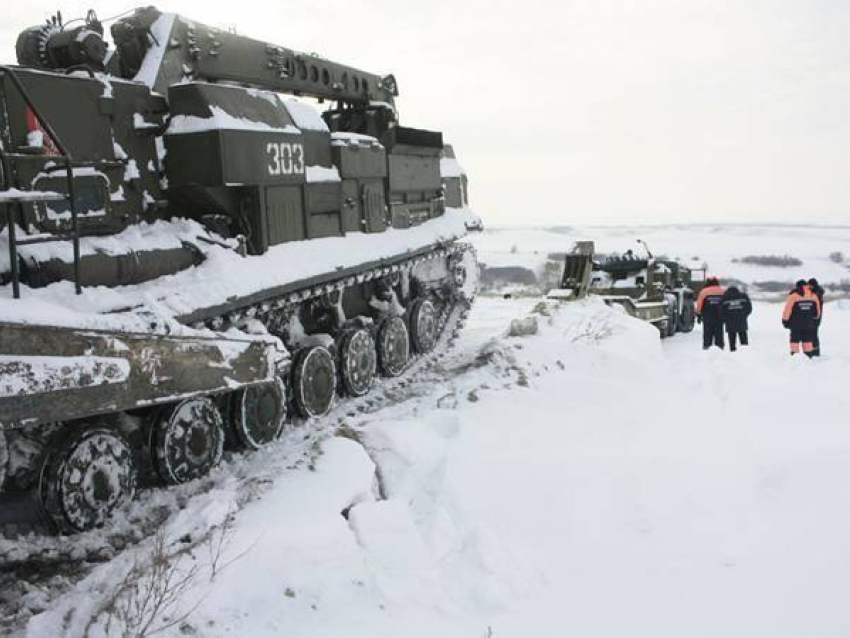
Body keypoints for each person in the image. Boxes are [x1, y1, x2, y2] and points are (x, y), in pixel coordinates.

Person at [782, 279, 821, 357]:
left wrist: (785, 320)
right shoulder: (813, 295)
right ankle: (808, 355)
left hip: (795, 324)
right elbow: (817, 313)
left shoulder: (793, 296)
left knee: (794, 340)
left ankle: (795, 356)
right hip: (808, 323)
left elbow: (788, 309)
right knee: (807, 340)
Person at [696, 276, 726, 349]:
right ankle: (720, 348)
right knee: (719, 333)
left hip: (707, 317)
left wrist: (699, 315)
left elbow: (699, 304)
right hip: (720, 317)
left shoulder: (704, 291)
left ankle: (706, 347)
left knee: (707, 333)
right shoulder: (723, 291)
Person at [721, 286, 752, 352]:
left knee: (732, 342)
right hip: (742, 321)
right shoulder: (744, 296)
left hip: (730, 323)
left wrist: (725, 319)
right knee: (744, 341)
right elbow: (749, 308)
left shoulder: (725, 297)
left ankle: (733, 353)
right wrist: (744, 315)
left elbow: (721, 310)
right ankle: (745, 353)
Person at [808, 277, 825, 356]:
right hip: (816, 316)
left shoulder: (816, 293)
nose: (809, 287)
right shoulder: (818, 292)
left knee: (813, 334)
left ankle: (815, 352)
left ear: (813, 285)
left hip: (815, 317)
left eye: (810, 285)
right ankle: (815, 352)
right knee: (813, 334)